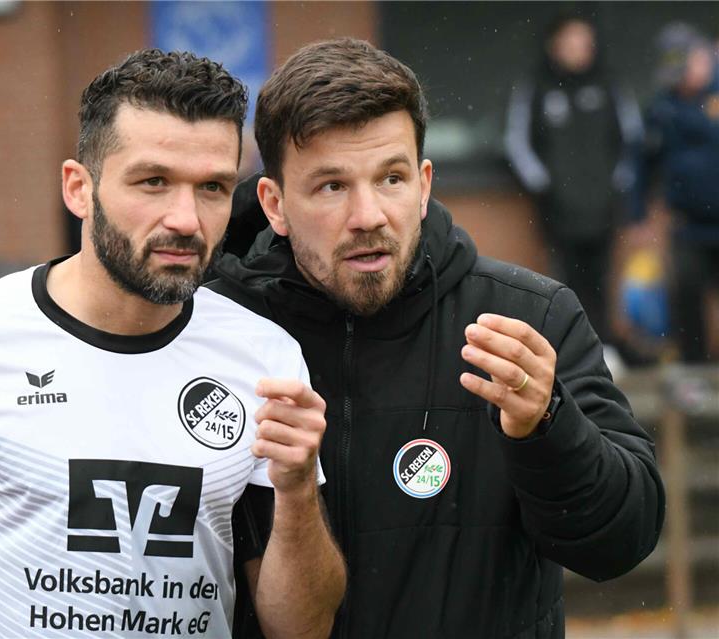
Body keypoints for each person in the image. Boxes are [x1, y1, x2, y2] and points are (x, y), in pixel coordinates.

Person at [0, 49, 345, 638]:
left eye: (211, 187)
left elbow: (301, 629)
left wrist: (296, 492)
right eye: (153, 182)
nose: (186, 219)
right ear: (79, 189)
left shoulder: (263, 358)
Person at [211, 38, 665, 638]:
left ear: (424, 185)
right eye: (332, 187)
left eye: (391, 178)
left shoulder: (528, 319)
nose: (369, 215)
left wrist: (548, 427)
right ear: (274, 204)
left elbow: (622, 541)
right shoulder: (218, 332)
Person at [505, 14, 643, 350]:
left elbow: (631, 140)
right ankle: (570, 350)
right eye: (570, 41)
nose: (578, 49)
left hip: (603, 205)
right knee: (563, 281)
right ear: (555, 45)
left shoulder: (609, 84)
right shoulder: (537, 86)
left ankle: (604, 346)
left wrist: (614, 185)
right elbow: (517, 143)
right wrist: (546, 186)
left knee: (601, 278)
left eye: (584, 42)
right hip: (558, 208)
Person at [630, 22, 719, 363]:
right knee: (686, 295)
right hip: (688, 223)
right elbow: (641, 164)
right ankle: (695, 367)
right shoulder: (661, 108)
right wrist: (637, 214)